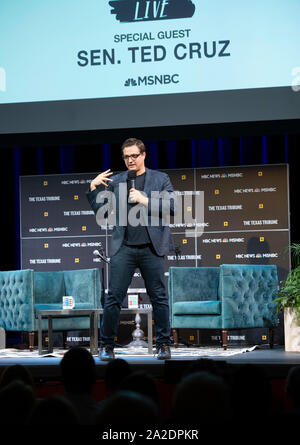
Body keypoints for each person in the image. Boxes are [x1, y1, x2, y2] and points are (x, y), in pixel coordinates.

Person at [86, 138, 176, 361]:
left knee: (159, 298)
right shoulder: (117, 181)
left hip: (151, 248)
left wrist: (144, 200)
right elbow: (103, 213)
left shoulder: (160, 179)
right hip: (123, 247)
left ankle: (163, 344)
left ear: (143, 155)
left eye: (134, 155)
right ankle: (107, 346)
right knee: (114, 298)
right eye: (126, 156)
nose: (130, 160)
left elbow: (172, 207)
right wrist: (93, 187)